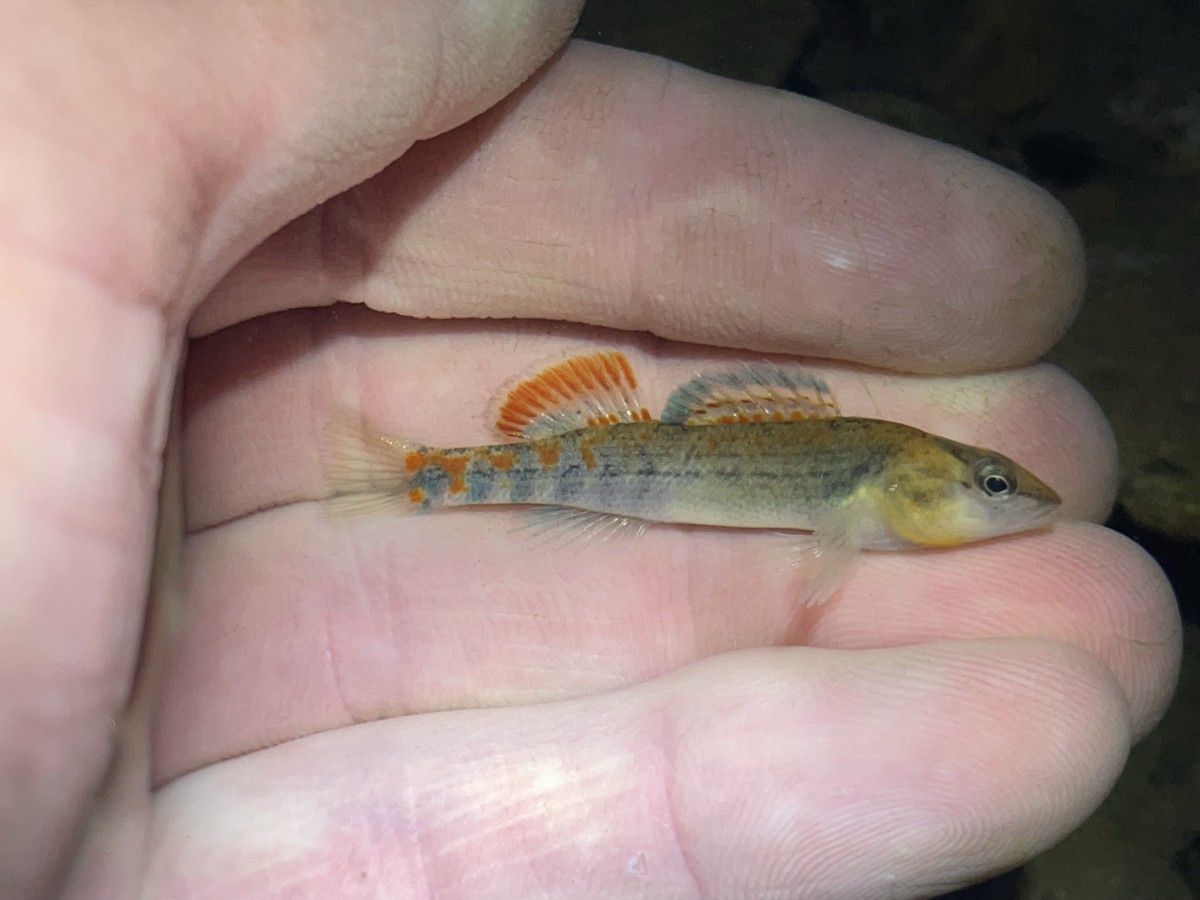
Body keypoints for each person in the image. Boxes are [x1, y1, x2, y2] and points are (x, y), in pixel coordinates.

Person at [1, 2, 1180, 897]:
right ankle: (411, 476)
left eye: (996, 487)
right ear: (910, 478)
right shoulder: (865, 474)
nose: (1003, 497)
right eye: (988, 485)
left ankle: (414, 478)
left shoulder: (868, 476)